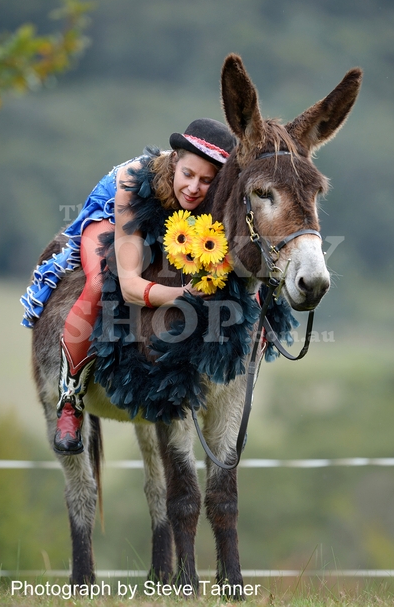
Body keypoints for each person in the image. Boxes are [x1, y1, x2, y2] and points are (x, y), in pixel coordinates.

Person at [21, 118, 236, 455]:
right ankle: (70, 401)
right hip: (114, 216)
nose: (194, 188)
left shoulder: (220, 199)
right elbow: (131, 287)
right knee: (98, 285)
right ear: (175, 162)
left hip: (173, 224)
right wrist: (183, 295)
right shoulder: (131, 184)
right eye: (189, 175)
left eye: (207, 181)